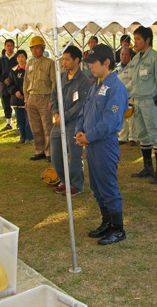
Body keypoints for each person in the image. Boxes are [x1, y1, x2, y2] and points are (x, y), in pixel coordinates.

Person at [75, 44, 128, 245]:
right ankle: (106, 222)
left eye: (93, 63)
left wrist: (88, 137)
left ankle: (118, 228)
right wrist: (79, 132)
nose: (90, 67)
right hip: (92, 144)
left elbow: (110, 121)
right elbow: (84, 110)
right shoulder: (96, 85)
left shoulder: (116, 88)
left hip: (104, 144)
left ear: (107, 63)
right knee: (97, 187)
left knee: (108, 186)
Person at [129, 26, 157, 184]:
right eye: (135, 39)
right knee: (142, 135)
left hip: (150, 101)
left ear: (147, 40)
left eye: (138, 39)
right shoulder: (136, 58)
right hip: (138, 100)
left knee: (155, 135)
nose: (136, 42)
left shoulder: (155, 58)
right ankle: (148, 167)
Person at [51, 46, 91, 197]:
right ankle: (64, 181)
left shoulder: (84, 81)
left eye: (67, 59)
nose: (64, 62)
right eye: (63, 59)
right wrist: (56, 114)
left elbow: (80, 105)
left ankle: (76, 185)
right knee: (56, 153)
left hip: (74, 123)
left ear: (77, 60)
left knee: (74, 155)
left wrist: (64, 117)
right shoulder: (61, 77)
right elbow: (53, 96)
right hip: (59, 121)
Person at [23, 35, 56, 162]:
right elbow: (26, 82)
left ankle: (49, 152)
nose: (34, 50)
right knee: (35, 127)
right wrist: (26, 99)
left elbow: (54, 82)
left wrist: (51, 101)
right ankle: (39, 150)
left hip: (45, 98)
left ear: (43, 48)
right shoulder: (30, 63)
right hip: (32, 98)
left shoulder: (49, 63)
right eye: (32, 48)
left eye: (37, 47)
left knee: (47, 127)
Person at [7, 50, 34, 144]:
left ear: (26, 58)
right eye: (18, 57)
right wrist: (16, 92)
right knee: (20, 120)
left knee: (28, 120)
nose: (21, 59)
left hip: (28, 99)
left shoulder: (30, 69)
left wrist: (25, 94)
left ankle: (29, 137)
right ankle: (22, 137)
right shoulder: (13, 70)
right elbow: (9, 85)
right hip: (17, 100)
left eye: (22, 56)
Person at [117, 46, 137, 146]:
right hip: (119, 96)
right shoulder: (117, 67)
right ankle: (122, 137)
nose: (123, 56)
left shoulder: (133, 67)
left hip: (130, 95)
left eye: (126, 54)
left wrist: (124, 88)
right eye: (122, 54)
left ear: (130, 56)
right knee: (121, 117)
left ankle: (133, 138)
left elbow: (134, 81)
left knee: (132, 118)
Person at [0, 39, 17, 130]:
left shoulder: (16, 58)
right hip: (4, 85)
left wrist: (11, 80)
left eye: (11, 46)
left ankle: (19, 124)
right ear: (5, 47)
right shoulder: (1, 59)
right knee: (6, 102)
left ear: (14, 47)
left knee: (16, 103)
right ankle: (9, 123)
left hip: (15, 84)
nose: (9, 47)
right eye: (7, 46)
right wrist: (3, 80)